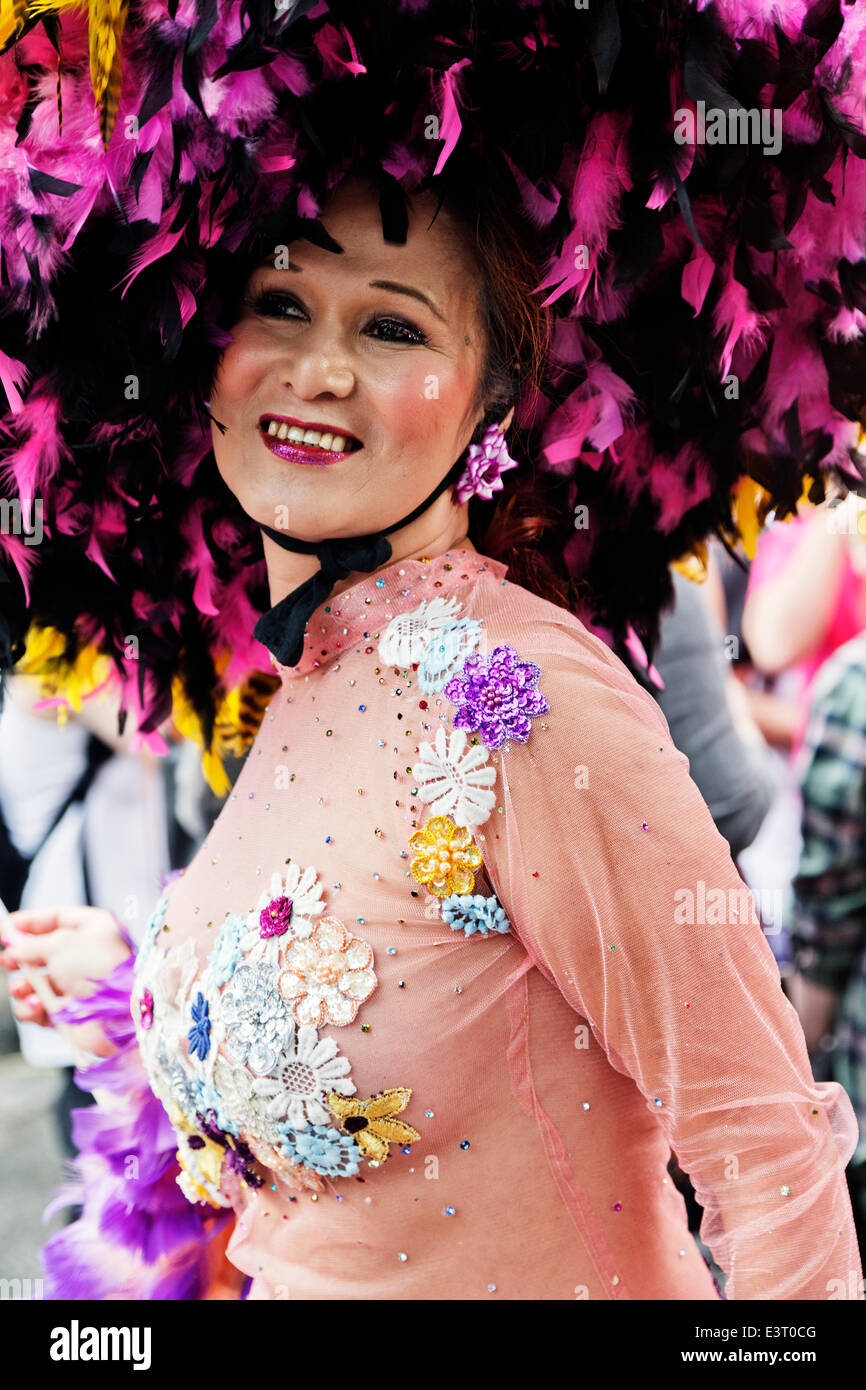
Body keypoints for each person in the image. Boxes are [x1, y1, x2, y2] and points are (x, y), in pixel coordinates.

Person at [1, 1, 865, 1303]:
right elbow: (396, 1024)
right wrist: (136, 979)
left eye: (392, 326)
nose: (321, 369)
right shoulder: (301, 675)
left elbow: (766, 1161)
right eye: (280, 301)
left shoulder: (523, 700)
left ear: (493, 397)